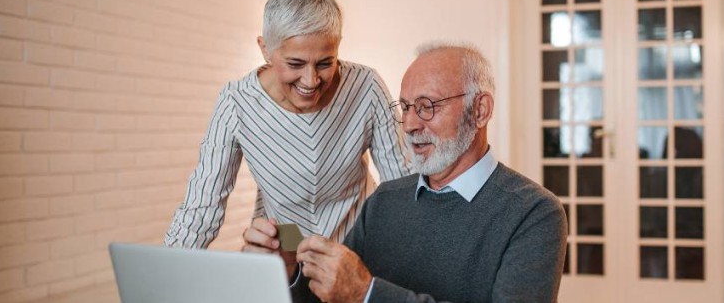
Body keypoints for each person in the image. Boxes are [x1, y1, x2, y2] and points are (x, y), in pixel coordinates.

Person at [243, 42, 568, 302]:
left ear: (480, 110)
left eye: (427, 106)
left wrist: (367, 294)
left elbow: (356, 293)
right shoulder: (385, 200)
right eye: (406, 107)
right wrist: (289, 273)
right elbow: (334, 296)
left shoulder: (534, 213)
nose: (410, 124)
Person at [164, 0, 409, 250]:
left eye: (325, 63)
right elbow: (203, 205)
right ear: (265, 49)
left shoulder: (366, 87)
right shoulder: (236, 103)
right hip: (282, 252)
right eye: (295, 63)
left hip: (357, 248)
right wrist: (166, 266)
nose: (311, 80)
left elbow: (403, 186)